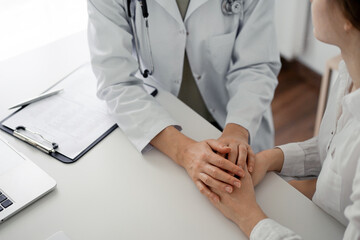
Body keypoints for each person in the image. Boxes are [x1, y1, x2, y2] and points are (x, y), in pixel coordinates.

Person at [87, 0, 281, 201]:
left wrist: (238, 131)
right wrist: (184, 151)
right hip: (158, 125)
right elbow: (115, 80)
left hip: (238, 117)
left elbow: (257, 65)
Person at [207, 0, 360, 238]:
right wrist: (271, 159)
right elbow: (334, 153)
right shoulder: (349, 74)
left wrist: (246, 215)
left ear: (349, 17)